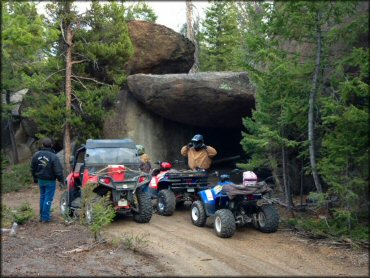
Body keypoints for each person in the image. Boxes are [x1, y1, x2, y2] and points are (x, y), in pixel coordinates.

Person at [31, 138, 64, 223]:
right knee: (48, 198)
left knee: (43, 196)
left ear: (42, 145)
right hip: (50, 181)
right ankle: (45, 218)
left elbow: (33, 168)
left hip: (41, 180)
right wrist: (61, 180)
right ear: (51, 145)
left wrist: (35, 178)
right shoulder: (53, 156)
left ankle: (42, 216)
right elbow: (58, 170)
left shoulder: (36, 155)